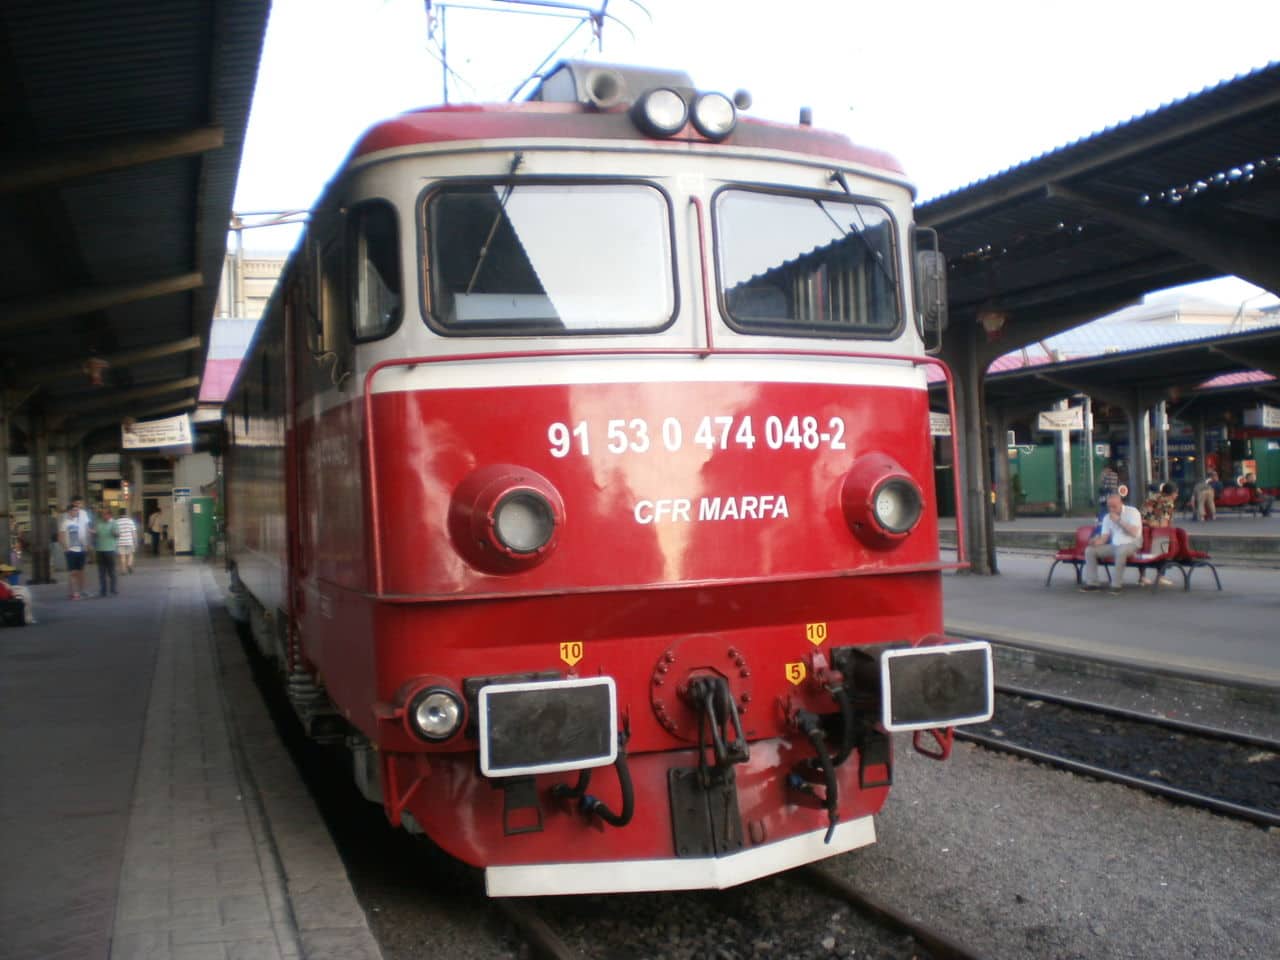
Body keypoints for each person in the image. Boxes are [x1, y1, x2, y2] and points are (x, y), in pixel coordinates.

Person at [1081, 494, 1143, 594]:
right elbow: (1104, 538)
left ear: (1121, 503)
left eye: (1114, 506)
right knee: (1090, 550)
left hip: (1132, 543)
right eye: (1109, 506)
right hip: (1115, 544)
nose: (1111, 509)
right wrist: (1095, 542)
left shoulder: (1132, 512)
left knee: (1121, 551)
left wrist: (1119, 521)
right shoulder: (1107, 517)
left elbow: (1134, 532)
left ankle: (1116, 585)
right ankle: (1092, 583)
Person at [1138, 482, 1177, 586]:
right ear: (1171, 494)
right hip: (1156, 530)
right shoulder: (1168, 502)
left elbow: (1142, 514)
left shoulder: (1151, 498)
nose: (1177, 495)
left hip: (1143, 529)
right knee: (1163, 548)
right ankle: (1161, 576)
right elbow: (1164, 522)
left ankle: (1142, 577)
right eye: (1176, 493)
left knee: (1143, 551)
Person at [59, 497, 92, 600]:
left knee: (81, 571)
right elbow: (61, 536)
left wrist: (86, 544)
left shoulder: (79, 522)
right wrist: (66, 548)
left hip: (81, 549)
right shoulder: (65, 522)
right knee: (73, 572)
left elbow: (84, 533)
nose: (77, 511)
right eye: (75, 509)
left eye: (77, 510)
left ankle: (82, 591)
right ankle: (74, 592)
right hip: (71, 550)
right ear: (69, 511)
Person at [92, 506, 120, 597]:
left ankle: (113, 589)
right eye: (102, 514)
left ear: (110, 515)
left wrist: (115, 533)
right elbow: (96, 533)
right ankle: (103, 590)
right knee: (101, 572)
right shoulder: (98, 523)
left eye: (105, 514)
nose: (104, 516)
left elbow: (117, 534)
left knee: (111, 571)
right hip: (100, 550)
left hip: (110, 550)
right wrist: (93, 533)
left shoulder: (114, 523)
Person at [114, 507, 138, 573]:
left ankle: (123, 570)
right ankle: (129, 564)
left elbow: (115, 533)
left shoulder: (116, 522)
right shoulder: (130, 521)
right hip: (129, 541)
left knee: (122, 556)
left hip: (120, 542)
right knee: (130, 554)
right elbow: (134, 532)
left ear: (119, 514)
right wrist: (135, 541)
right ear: (126, 513)